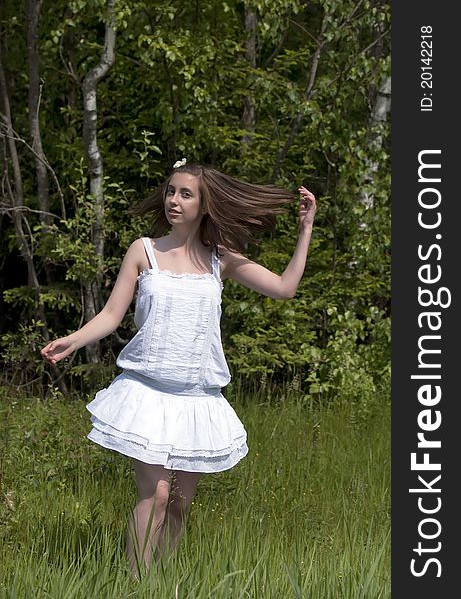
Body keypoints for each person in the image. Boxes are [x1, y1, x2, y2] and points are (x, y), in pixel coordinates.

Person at [40, 161, 317, 577]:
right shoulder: (144, 250)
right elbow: (112, 315)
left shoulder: (218, 260)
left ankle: (163, 582)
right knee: (156, 494)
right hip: (147, 392)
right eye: (171, 191)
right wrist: (73, 340)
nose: (174, 200)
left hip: (197, 400)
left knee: (179, 504)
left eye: (185, 194)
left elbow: (284, 288)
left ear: (205, 204)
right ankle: (136, 582)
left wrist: (305, 229)